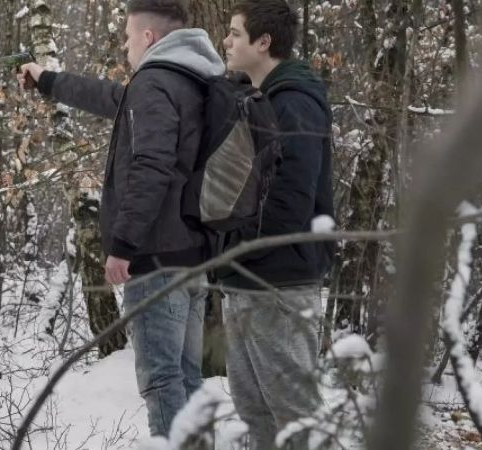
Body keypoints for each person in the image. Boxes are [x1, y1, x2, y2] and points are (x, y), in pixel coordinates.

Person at [18, 0, 225, 436]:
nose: (126, 48)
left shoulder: (154, 84)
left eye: (128, 38)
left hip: (156, 257)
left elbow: (151, 165)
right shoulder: (197, 80)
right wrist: (48, 80)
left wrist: (124, 245)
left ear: (148, 37)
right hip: (193, 254)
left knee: (162, 380)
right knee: (186, 377)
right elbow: (113, 97)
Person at [218, 0, 335, 448]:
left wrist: (238, 246)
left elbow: (289, 201)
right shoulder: (259, 98)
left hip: (279, 284)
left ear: (263, 42)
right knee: (257, 413)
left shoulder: (295, 103)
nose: (226, 41)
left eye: (234, 33)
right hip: (249, 280)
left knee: (295, 418)